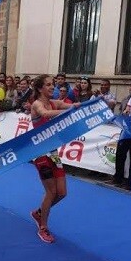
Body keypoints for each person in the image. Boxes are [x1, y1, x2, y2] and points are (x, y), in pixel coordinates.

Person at [30, 74, 79, 243]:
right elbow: (46, 113)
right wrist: (67, 110)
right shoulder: (37, 104)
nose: (53, 87)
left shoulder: (55, 102)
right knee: (51, 192)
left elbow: (75, 105)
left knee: (62, 193)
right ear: (40, 88)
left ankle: (38, 213)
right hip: (40, 153)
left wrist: (99, 103)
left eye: (53, 85)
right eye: (49, 85)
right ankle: (43, 227)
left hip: (53, 152)